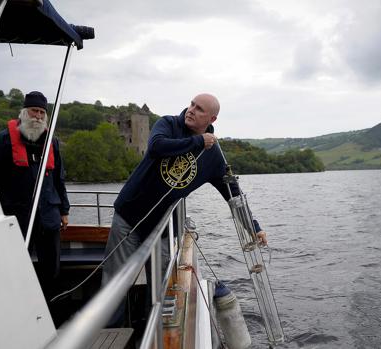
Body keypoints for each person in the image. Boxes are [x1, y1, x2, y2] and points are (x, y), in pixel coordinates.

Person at [102, 93, 267, 326]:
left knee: (160, 286)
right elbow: (157, 147)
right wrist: (198, 142)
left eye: (199, 109)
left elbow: (233, 193)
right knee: (116, 279)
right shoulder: (168, 124)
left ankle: (153, 331)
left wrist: (254, 228)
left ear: (212, 118)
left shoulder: (213, 156)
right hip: (129, 216)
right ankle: (110, 330)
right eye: (191, 104)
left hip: (162, 227)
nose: (190, 110)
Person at [0, 91, 70, 300]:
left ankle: (52, 315)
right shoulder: (3, 140)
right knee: (16, 266)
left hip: (49, 216)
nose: (38, 116)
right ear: (24, 112)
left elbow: (59, 179)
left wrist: (64, 210)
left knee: (52, 270)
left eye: (42, 112)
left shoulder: (52, 142)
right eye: (34, 111)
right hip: (18, 215)